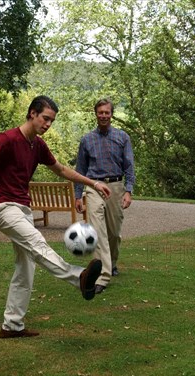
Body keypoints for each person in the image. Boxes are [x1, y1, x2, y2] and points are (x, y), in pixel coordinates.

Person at [0, 95, 112, 339]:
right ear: (32, 113)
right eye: (45, 118)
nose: (48, 124)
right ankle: (79, 278)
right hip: (3, 208)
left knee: (26, 268)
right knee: (37, 243)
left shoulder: (38, 145)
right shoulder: (8, 138)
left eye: (51, 121)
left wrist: (93, 183)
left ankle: (12, 326)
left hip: (22, 209)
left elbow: (62, 170)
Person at [74, 98, 135, 294]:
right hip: (94, 187)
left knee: (114, 233)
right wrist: (78, 195)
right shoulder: (87, 140)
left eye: (107, 112)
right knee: (98, 230)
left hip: (116, 186)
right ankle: (103, 275)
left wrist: (129, 190)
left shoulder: (122, 137)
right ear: (96, 114)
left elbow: (129, 166)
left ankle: (112, 262)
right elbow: (80, 169)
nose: (103, 115)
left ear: (111, 114)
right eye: (100, 112)